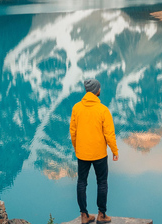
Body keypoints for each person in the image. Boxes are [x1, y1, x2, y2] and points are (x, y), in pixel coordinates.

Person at [69, 78, 119, 224]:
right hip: (99, 154)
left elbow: (73, 132)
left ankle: (84, 215)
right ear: (97, 91)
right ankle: (101, 214)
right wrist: (115, 151)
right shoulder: (103, 110)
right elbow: (109, 134)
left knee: (81, 182)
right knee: (102, 182)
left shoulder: (76, 108)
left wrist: (77, 147)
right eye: (99, 88)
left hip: (82, 153)